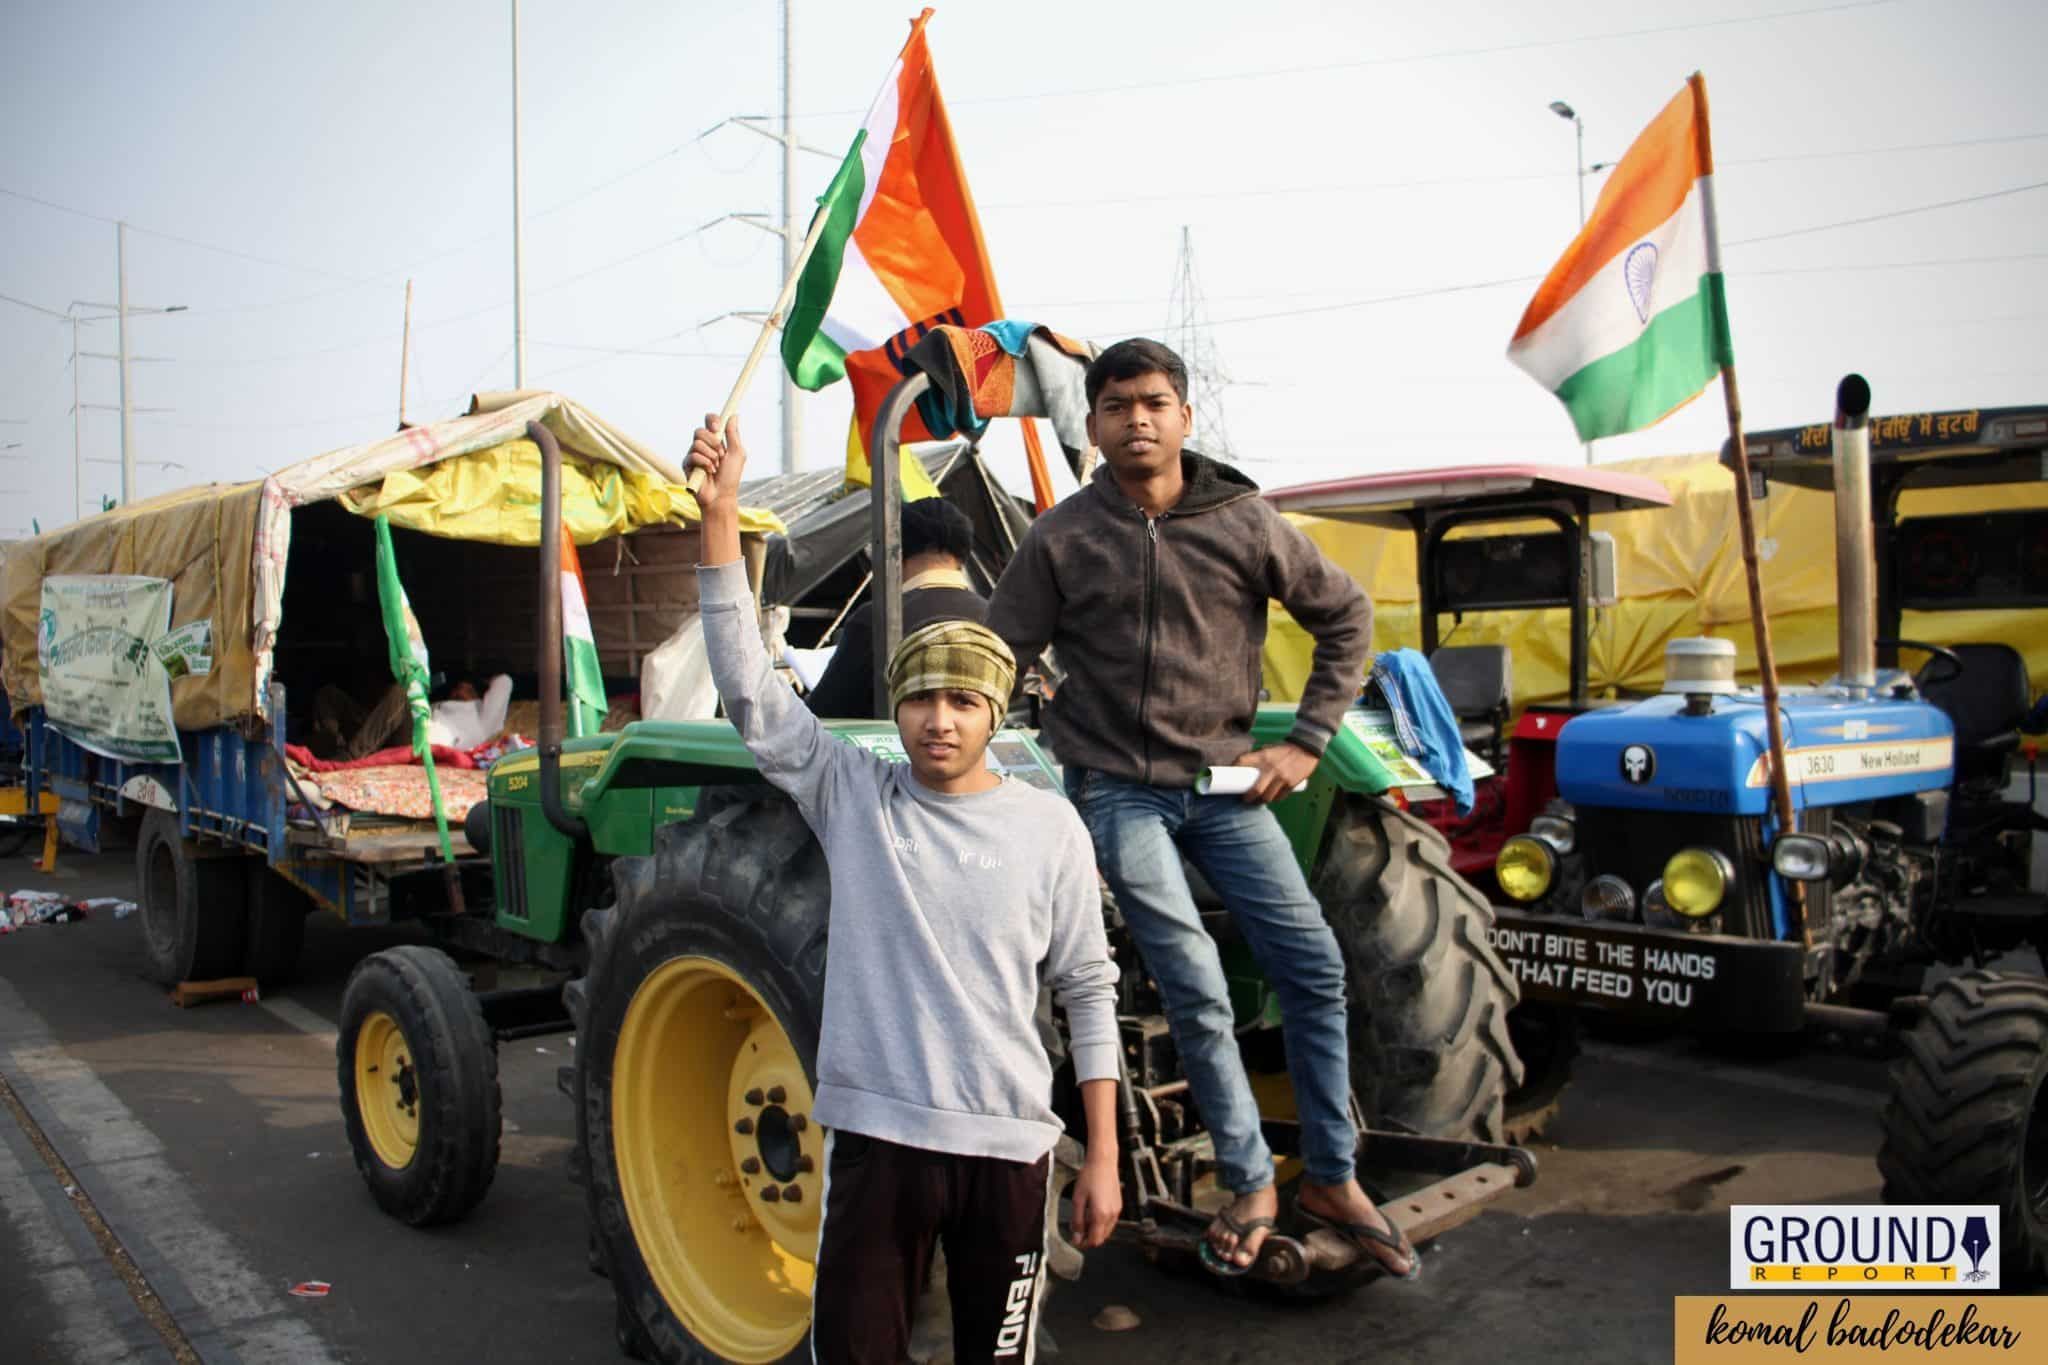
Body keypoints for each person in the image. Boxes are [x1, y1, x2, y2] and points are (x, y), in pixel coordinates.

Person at [688, 413, 1123, 1365]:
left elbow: (1089, 991)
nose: (939, 720)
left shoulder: (1049, 826)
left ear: (995, 711)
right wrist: (720, 516)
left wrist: (1103, 1154)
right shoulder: (855, 797)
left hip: (1009, 1155)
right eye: (922, 698)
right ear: (896, 706)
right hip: (877, 1144)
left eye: (963, 700)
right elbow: (753, 693)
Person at [986, 338, 1416, 1281]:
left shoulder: (1243, 521)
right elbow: (997, 651)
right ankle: (1250, 1180)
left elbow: (1345, 613)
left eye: (1153, 403)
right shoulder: (1060, 538)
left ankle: (1331, 1176)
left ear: (1185, 416)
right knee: (1193, 975)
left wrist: (1307, 740)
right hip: (1116, 790)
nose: (1136, 420)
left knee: (1314, 964)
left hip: (1224, 786)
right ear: (1092, 427)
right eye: (1116, 407)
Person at [804, 495, 987, 718]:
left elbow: (824, 710)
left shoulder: (874, 619)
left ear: (895, 550)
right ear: (964, 553)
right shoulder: (994, 617)